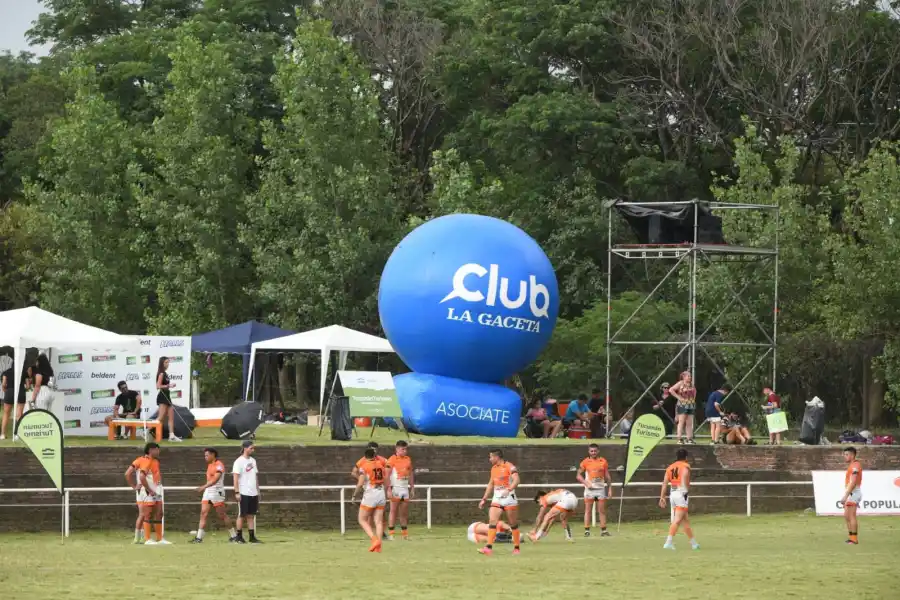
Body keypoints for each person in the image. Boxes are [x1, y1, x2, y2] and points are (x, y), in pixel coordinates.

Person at [477, 449, 521, 555]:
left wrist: (509, 489)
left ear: (497, 457)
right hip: (497, 498)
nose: (490, 459)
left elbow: (517, 480)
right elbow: (491, 484)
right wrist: (484, 499)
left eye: (491, 457)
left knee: (513, 524)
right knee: (492, 521)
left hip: (509, 498)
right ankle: (488, 548)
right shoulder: (493, 468)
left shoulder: (509, 466)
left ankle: (516, 548)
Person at [125, 442, 169, 545]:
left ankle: (159, 538)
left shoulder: (154, 461)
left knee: (159, 513)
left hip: (156, 490)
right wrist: (135, 487)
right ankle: (145, 538)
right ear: (151, 450)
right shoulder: (144, 461)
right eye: (157, 449)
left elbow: (128, 473)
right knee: (145, 514)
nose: (159, 451)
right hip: (147, 491)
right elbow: (130, 474)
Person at [191, 448, 237, 543]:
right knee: (203, 514)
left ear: (213, 455)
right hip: (208, 492)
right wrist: (205, 488)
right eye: (205, 455)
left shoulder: (219, 465)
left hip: (217, 492)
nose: (205, 457)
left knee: (222, 514)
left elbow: (215, 480)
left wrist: (203, 487)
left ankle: (234, 536)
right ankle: (199, 538)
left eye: (207, 455)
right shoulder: (210, 465)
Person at [351, 447, 390, 552]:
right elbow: (386, 479)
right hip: (381, 492)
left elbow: (360, 484)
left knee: (362, 519)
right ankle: (379, 546)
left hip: (371, 494)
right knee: (378, 521)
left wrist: (354, 496)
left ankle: (374, 540)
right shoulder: (380, 465)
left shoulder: (364, 467)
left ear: (365, 456)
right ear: (374, 455)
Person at [659, 448, 699, 550]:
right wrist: (685, 489)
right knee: (677, 521)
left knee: (684, 520)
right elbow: (685, 476)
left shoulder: (670, 468)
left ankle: (694, 544)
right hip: (681, 494)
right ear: (686, 457)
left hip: (673, 494)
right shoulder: (685, 466)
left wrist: (662, 497)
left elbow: (664, 483)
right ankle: (668, 542)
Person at [577, 443, 612, 537]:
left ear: (598, 451)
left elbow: (607, 476)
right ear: (589, 452)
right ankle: (587, 530)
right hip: (590, 490)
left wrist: (610, 489)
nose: (593, 453)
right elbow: (578, 475)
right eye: (591, 451)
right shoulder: (585, 462)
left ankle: (603, 530)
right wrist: (585, 483)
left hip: (600, 489)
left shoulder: (603, 461)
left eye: (595, 451)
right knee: (588, 510)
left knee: (602, 510)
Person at [232, 440, 261, 544]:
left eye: (253, 448)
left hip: (253, 492)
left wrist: (258, 490)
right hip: (243, 492)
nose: (252, 450)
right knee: (242, 514)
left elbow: (255, 476)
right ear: (245, 448)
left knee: (251, 515)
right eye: (251, 448)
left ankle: (252, 537)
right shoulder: (238, 462)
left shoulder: (253, 461)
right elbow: (235, 478)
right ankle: (239, 536)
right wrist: (237, 492)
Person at [386, 440, 414, 540]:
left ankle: (405, 534)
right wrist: (388, 489)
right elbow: (387, 475)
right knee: (393, 511)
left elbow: (410, 473)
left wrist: (412, 487)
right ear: (397, 449)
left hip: (405, 488)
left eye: (406, 449)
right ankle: (391, 534)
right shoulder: (392, 460)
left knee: (404, 513)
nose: (405, 451)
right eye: (403, 449)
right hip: (396, 488)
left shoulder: (408, 459)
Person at [155, 357, 181, 442]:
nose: (167, 364)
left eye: (168, 362)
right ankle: (147, 430)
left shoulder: (165, 373)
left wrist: (168, 386)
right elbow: (158, 386)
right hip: (162, 396)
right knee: (161, 417)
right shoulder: (161, 373)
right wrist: (169, 385)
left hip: (167, 395)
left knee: (171, 417)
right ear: (162, 363)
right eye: (166, 362)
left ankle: (172, 436)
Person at [841, 447, 862, 545]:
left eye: (846, 454)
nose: (844, 457)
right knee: (847, 516)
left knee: (851, 515)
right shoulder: (852, 465)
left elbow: (853, 482)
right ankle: (851, 537)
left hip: (854, 493)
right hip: (851, 492)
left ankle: (854, 539)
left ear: (852, 455)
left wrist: (845, 496)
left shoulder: (855, 466)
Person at [668, 371, 697, 444]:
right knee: (681, 422)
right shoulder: (680, 383)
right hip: (682, 405)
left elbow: (695, 392)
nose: (690, 377)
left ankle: (689, 439)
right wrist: (678, 397)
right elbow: (671, 390)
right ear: (684, 377)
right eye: (688, 376)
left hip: (690, 405)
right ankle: (679, 439)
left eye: (690, 376)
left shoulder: (691, 384)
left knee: (689, 422)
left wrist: (693, 400)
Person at [0, 360, 22, 440]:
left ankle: (2, 434)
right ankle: (17, 434)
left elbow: (3, 384)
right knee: (19, 414)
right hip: (20, 392)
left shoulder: (6, 372)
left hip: (9, 392)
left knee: (6, 414)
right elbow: (27, 385)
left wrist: (6, 390)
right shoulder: (22, 372)